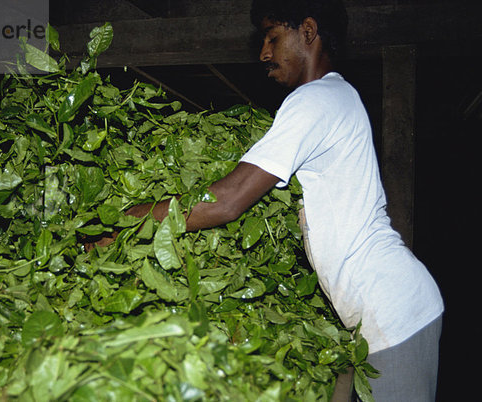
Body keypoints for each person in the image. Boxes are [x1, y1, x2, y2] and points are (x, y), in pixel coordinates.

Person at [90, 0, 444, 400]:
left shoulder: (315, 100)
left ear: (307, 31)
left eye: (272, 37)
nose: (264, 53)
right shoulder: (337, 96)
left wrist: (123, 222)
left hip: (393, 312)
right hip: (382, 306)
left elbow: (226, 201)